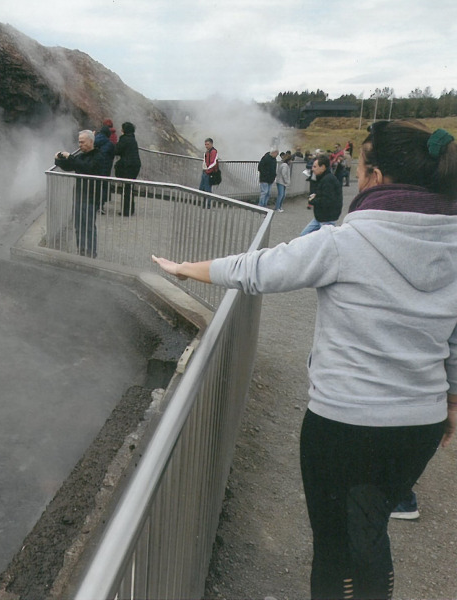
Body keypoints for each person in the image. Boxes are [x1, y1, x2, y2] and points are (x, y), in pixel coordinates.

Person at [152, 119, 457, 600]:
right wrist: (452, 402)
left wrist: (187, 268)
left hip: (345, 423)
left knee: (336, 546)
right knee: (371, 530)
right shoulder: (453, 241)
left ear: (373, 175)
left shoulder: (343, 242)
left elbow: (260, 269)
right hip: (420, 423)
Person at [55, 130, 108, 257]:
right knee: (78, 225)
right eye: (79, 142)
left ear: (91, 141)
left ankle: (90, 253)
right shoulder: (82, 155)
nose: (80, 145)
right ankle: (81, 250)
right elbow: (70, 166)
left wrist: (71, 157)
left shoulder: (98, 156)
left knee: (88, 226)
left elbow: (87, 168)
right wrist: (59, 159)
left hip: (90, 196)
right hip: (79, 196)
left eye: (82, 142)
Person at [300, 153, 342, 235]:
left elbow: (327, 200)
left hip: (327, 219)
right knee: (304, 235)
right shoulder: (324, 178)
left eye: (315, 167)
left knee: (319, 241)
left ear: (323, 167)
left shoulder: (328, 180)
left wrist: (312, 200)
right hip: (321, 217)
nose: (312, 169)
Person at [113, 121, 141, 216]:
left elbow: (117, 150)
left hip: (128, 167)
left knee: (126, 189)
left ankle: (126, 211)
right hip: (135, 166)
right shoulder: (132, 138)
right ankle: (130, 209)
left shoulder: (125, 139)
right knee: (129, 188)